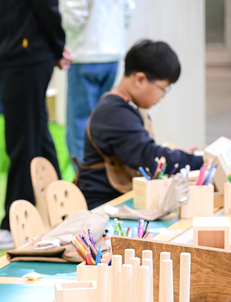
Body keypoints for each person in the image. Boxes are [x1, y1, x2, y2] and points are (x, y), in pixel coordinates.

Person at [0, 0, 71, 250]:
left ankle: (15, 225)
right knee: (37, 137)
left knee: (23, 142)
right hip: (22, 54)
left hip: (26, 55)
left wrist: (58, 47)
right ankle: (62, 214)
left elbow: (47, 10)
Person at [76, 40, 204, 209]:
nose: (162, 96)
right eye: (163, 89)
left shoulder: (123, 108)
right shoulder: (115, 113)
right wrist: (200, 161)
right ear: (140, 79)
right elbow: (149, 157)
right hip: (104, 208)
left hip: (122, 201)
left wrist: (178, 157)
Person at [63, 0, 135, 167]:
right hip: (112, 54)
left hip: (85, 54)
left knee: (79, 124)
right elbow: (128, 11)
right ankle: (101, 177)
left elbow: (74, 18)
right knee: (103, 121)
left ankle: (83, 179)